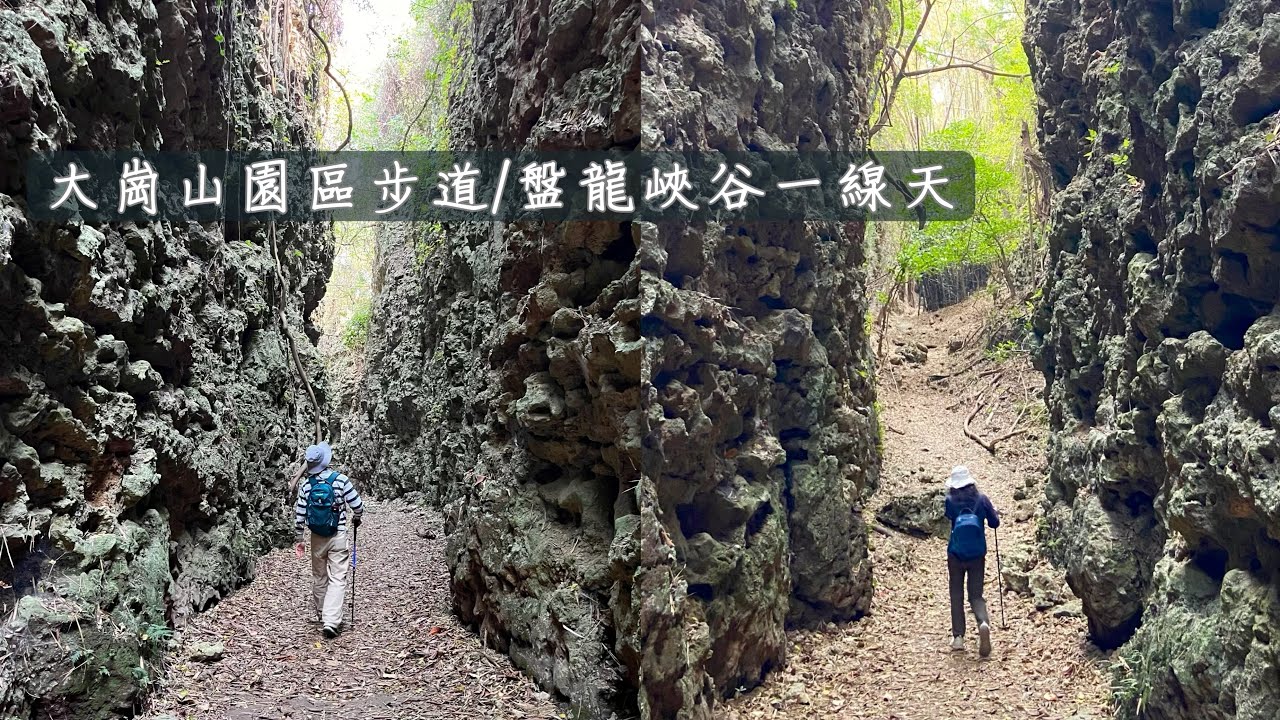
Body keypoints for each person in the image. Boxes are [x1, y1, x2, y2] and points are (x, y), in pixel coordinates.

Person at [293, 441, 364, 638]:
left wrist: (300, 537)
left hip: (316, 537)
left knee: (320, 576)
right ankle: (331, 621)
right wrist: (356, 517)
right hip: (338, 535)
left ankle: (322, 613)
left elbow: (299, 514)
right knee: (337, 577)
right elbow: (358, 506)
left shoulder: (306, 485)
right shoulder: (341, 480)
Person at [944, 465, 1000, 656]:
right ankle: (983, 623)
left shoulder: (950, 500)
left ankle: (958, 637)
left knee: (956, 594)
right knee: (976, 595)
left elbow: (949, 519)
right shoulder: (982, 499)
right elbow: (995, 523)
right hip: (977, 554)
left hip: (955, 553)